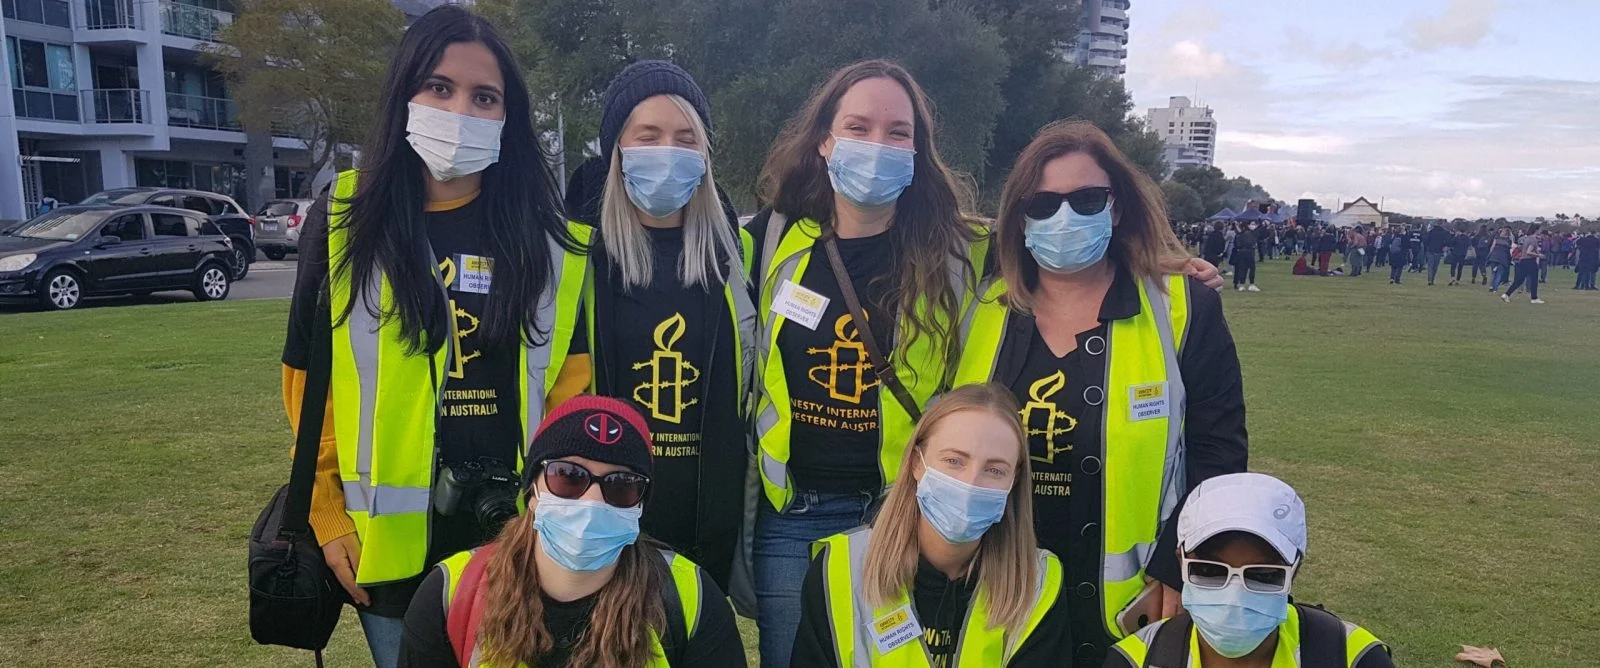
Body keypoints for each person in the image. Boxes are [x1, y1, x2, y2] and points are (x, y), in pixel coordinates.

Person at [279, 8, 589, 666]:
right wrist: (327, 515)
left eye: (485, 97)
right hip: (384, 548)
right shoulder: (343, 220)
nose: (461, 112)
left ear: (509, 115)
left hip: (515, 537)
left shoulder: (546, 241)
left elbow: (570, 396)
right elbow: (309, 393)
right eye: (439, 88)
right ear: (405, 96)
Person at [953, 120, 1248, 665]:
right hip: (990, 591)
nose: (1064, 218)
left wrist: (1180, 565)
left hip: (1131, 607)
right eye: (1042, 205)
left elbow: (1220, 454)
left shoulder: (1183, 308)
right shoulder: (979, 309)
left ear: (1116, 206)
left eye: (1087, 199)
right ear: (1018, 218)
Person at [561, 60, 754, 589]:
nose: (668, 150)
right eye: (649, 135)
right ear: (617, 150)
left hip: (707, 531)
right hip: (602, 522)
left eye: (685, 137)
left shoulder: (739, 259)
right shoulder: (579, 259)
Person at [397, 397, 745, 668]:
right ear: (532, 490)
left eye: (621, 485)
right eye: (568, 476)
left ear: (639, 505)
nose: (592, 501)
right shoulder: (452, 593)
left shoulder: (690, 601)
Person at [791, 384, 1071, 667]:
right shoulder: (841, 569)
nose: (970, 483)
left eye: (994, 470)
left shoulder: (1038, 583)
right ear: (916, 462)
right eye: (954, 461)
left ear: (1014, 481)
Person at [1103, 473, 1392, 668]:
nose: (1234, 596)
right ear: (1180, 563)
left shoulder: (1351, 657)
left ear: (1295, 571)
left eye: (1263, 575)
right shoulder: (1136, 660)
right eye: (1209, 570)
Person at [1501, 225, 1545, 304]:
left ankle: (1506, 294)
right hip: (1530, 261)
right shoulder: (1533, 240)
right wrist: (1539, 255)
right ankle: (1534, 298)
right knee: (1534, 280)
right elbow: (1529, 252)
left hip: (1523, 261)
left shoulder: (1527, 238)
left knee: (1519, 280)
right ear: (1536, 230)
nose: (1541, 231)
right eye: (1540, 229)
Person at [1232, 222, 1259, 291]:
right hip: (1249, 252)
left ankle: (1241, 284)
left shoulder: (1239, 234)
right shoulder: (1249, 233)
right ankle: (1251, 284)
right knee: (1252, 268)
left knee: (1242, 268)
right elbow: (1252, 242)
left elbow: (1237, 244)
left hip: (1241, 252)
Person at [1424, 221, 1452, 285]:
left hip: (1430, 250)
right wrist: (1443, 246)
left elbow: (1426, 241)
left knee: (1430, 266)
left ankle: (1429, 280)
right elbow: (1448, 241)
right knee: (1435, 267)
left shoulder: (1431, 232)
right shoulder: (1444, 232)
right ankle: (1432, 279)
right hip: (1438, 251)